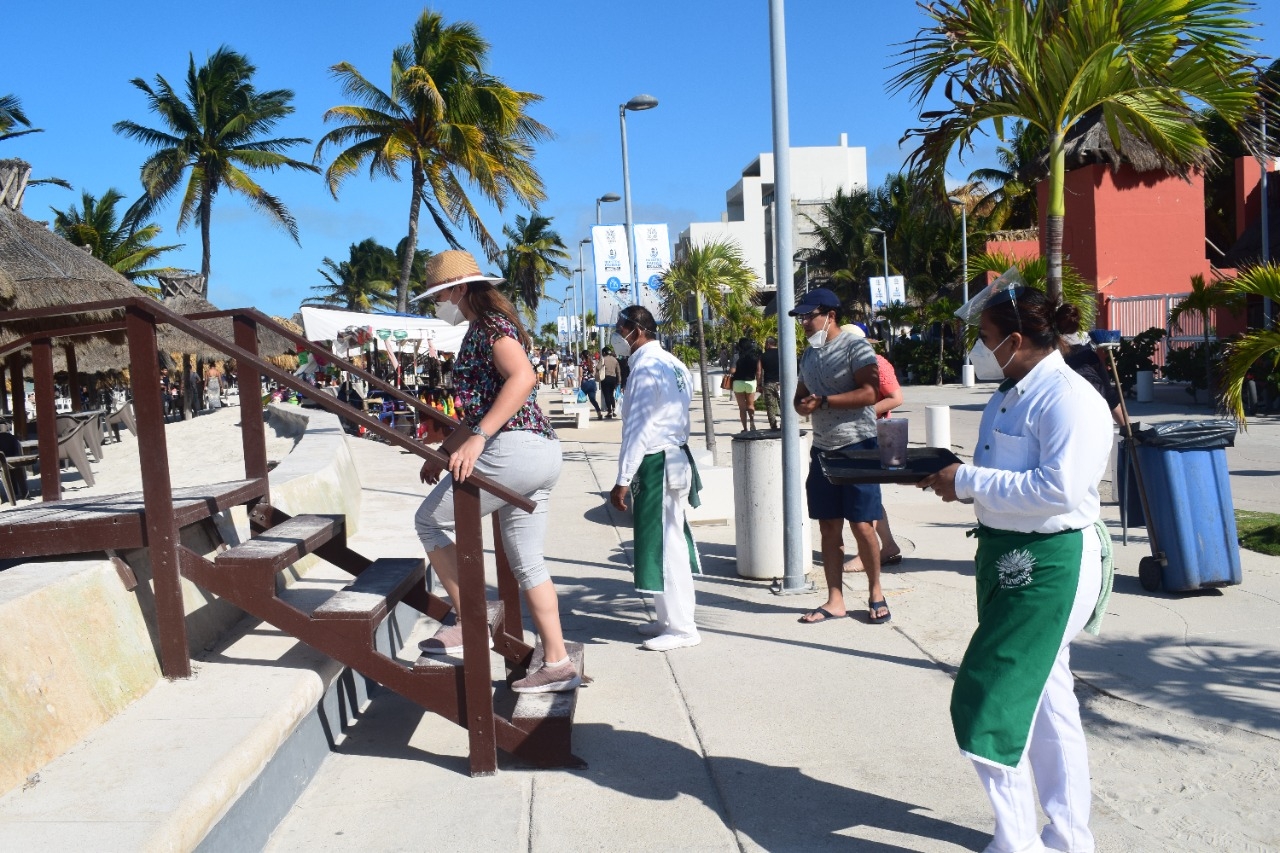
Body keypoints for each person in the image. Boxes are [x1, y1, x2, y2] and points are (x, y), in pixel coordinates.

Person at [918, 283, 1112, 853]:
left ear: (1018, 340)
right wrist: (950, 476)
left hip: (1051, 564)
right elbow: (994, 474)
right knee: (1049, 702)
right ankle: (1069, 839)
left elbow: (1058, 489)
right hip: (1009, 559)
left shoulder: (1070, 399)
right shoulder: (1011, 392)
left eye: (986, 339)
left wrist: (969, 482)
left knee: (988, 700)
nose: (980, 349)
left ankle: (1018, 841)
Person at [412, 250, 579, 694]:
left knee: (428, 521)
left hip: (514, 449)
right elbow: (484, 406)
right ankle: (558, 663)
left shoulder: (489, 327)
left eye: (438, 295)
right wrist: (446, 448)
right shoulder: (485, 328)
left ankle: (471, 618)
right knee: (528, 563)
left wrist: (479, 438)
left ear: (459, 289)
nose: (436, 304)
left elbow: (523, 378)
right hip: (541, 452)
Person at [790, 288, 888, 625]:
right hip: (823, 449)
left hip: (858, 446)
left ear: (830, 314)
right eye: (801, 317)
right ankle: (835, 600)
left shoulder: (855, 347)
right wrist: (802, 405)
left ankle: (876, 591)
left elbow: (871, 392)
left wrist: (826, 402)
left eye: (808, 315)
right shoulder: (809, 354)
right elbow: (800, 398)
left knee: (862, 525)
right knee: (829, 528)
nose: (803, 322)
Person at [608, 305, 702, 651]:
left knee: (666, 544)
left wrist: (622, 478)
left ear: (637, 330)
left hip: (657, 459)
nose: (617, 336)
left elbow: (639, 429)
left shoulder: (647, 368)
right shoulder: (673, 363)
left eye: (620, 328)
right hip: (672, 455)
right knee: (660, 541)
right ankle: (666, 619)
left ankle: (682, 627)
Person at [841, 325, 904, 572]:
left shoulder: (877, 363)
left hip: (872, 436)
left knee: (862, 495)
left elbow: (896, 398)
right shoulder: (852, 365)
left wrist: (862, 411)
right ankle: (887, 547)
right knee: (863, 495)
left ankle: (869, 553)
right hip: (856, 435)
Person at [731, 337, 763, 432]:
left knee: (742, 408)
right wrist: (758, 383)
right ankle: (752, 422)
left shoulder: (736, 356)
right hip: (751, 382)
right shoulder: (755, 356)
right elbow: (758, 371)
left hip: (738, 382)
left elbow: (732, 370)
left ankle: (745, 428)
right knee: (750, 405)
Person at [759, 336, 782, 430]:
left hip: (768, 383)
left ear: (768, 344)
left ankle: (773, 425)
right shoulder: (782, 353)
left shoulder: (762, 356)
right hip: (781, 384)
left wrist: (759, 384)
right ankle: (784, 424)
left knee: (770, 406)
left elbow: (759, 371)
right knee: (783, 405)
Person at [599, 346, 622, 418]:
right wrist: (619, 381)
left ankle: (609, 411)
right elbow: (618, 371)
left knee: (606, 395)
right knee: (611, 394)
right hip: (613, 379)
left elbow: (597, 367)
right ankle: (614, 408)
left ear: (604, 352)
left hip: (605, 379)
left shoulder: (603, 359)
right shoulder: (615, 360)